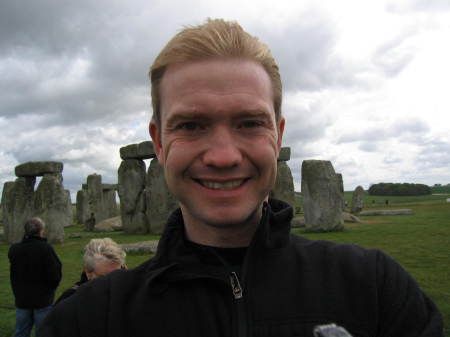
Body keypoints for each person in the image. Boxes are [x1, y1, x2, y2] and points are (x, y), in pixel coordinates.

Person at [42, 19, 443, 337]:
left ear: (279, 136)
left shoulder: (376, 289)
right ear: (159, 143)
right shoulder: (86, 320)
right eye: (191, 124)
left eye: (250, 122)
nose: (223, 156)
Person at [8, 217, 62, 337]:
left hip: (22, 298)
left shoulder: (14, 249)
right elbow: (55, 273)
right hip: (42, 299)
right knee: (43, 332)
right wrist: (50, 289)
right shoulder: (46, 248)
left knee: (21, 332)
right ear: (40, 231)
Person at [55, 238, 127, 304]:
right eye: (103, 278)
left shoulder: (129, 294)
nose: (112, 283)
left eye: (117, 275)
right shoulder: (70, 300)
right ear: (88, 272)